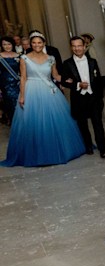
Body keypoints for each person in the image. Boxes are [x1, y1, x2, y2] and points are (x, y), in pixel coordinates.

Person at [0, 32, 85, 167]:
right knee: (34, 122)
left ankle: (56, 150)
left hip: (49, 91)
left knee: (54, 121)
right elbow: (23, 78)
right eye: (34, 43)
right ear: (30, 44)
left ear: (44, 43)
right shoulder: (24, 58)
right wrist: (22, 96)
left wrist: (69, 80)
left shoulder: (51, 58)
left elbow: (56, 76)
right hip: (31, 90)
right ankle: (36, 153)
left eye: (39, 42)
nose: (37, 45)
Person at [61, 36, 105, 158]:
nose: (77, 48)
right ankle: (88, 146)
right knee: (82, 125)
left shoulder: (93, 62)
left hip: (94, 98)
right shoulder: (67, 64)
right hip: (79, 98)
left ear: (84, 46)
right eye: (74, 46)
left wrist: (100, 98)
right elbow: (64, 81)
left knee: (98, 123)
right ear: (71, 47)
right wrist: (77, 84)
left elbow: (98, 81)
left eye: (79, 46)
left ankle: (102, 149)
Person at [0, 36, 20, 125]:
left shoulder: (20, 56)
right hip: (6, 85)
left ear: (13, 44)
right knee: (11, 107)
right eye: (4, 44)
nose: (7, 46)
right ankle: (15, 127)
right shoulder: (0, 57)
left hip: (19, 84)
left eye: (9, 44)